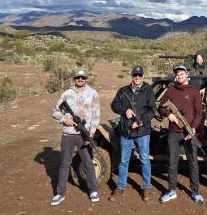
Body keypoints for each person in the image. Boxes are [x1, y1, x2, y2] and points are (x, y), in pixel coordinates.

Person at [50, 69, 100, 206]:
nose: (80, 80)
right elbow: (55, 111)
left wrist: (93, 129)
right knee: (65, 164)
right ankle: (60, 193)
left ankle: (93, 190)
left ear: (86, 79)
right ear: (74, 79)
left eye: (82, 77)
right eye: (78, 77)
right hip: (68, 134)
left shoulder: (93, 93)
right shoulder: (67, 94)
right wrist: (63, 119)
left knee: (88, 163)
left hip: (83, 135)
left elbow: (96, 113)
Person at [109, 65, 156, 201]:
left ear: (143, 76)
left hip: (142, 132)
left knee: (144, 160)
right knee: (123, 161)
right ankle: (120, 187)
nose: (137, 77)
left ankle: (146, 188)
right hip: (126, 132)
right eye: (135, 75)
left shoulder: (148, 91)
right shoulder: (123, 90)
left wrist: (140, 120)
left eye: (139, 75)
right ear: (132, 76)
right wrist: (125, 110)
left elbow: (152, 110)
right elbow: (114, 105)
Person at [158, 65, 204, 203]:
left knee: (193, 162)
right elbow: (161, 107)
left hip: (189, 132)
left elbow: (199, 112)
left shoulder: (195, 91)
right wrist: (169, 114)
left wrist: (194, 128)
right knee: (172, 162)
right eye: (177, 74)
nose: (179, 76)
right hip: (174, 132)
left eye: (182, 74)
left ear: (187, 74)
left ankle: (195, 191)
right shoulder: (171, 91)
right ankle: (172, 190)